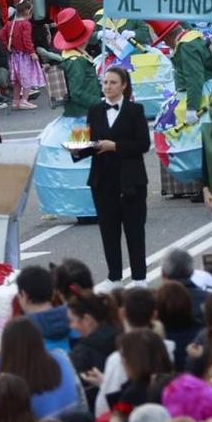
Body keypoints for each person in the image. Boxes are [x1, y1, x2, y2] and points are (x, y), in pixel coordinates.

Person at [79, 65, 149, 285]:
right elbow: (86, 142)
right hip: (103, 179)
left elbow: (143, 144)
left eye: (113, 83)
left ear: (124, 85)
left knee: (134, 230)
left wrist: (115, 146)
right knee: (108, 231)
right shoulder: (94, 110)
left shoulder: (135, 110)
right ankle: (114, 277)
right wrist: (77, 148)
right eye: (105, 82)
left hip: (131, 179)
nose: (108, 86)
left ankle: (139, 277)